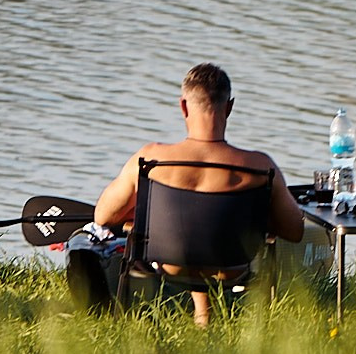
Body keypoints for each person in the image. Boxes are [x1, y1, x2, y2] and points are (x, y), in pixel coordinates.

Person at [76, 62, 305, 323]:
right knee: (209, 228)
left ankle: (194, 314)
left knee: (179, 227)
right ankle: (204, 314)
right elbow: (295, 230)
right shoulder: (261, 167)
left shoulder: (150, 160)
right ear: (229, 108)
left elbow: (103, 216)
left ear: (183, 106)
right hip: (231, 268)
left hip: (167, 264)